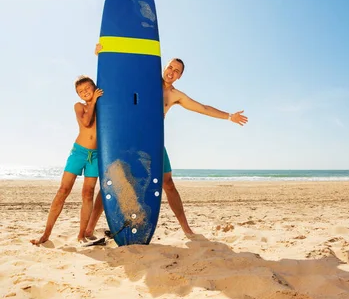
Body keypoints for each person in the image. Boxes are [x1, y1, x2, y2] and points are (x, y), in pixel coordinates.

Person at [85, 51, 247, 237]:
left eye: (176, 70)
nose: (171, 71)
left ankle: (186, 229)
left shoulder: (175, 95)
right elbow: (119, 73)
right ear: (164, 67)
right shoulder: (145, 80)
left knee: (168, 183)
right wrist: (104, 54)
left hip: (153, 141)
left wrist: (228, 116)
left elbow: (202, 108)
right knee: (113, 178)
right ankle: (89, 228)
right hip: (128, 138)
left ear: (180, 76)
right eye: (170, 67)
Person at [30, 76, 103, 245]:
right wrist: (92, 103)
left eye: (87, 89)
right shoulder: (80, 106)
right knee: (63, 190)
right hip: (78, 153)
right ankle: (46, 234)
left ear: (94, 87)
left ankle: (81, 235)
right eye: (80, 91)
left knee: (88, 194)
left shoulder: (103, 106)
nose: (85, 93)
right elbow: (86, 122)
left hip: (96, 155)